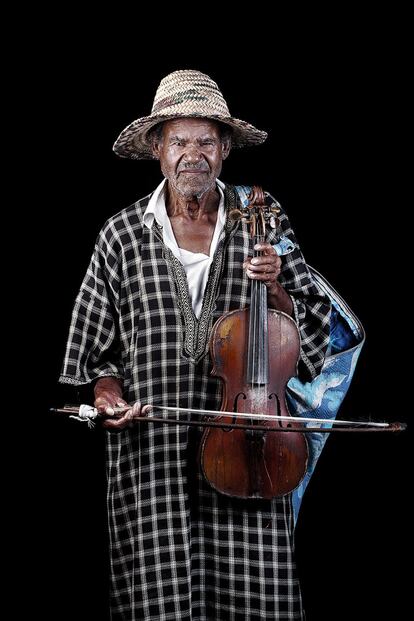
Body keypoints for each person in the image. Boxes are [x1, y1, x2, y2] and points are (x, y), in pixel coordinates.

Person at [60, 69, 333, 620]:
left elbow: (316, 336)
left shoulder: (263, 221)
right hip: (153, 457)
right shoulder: (121, 234)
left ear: (225, 148)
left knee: (259, 601)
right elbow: (97, 356)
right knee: (158, 603)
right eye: (179, 141)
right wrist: (109, 398)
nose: (193, 155)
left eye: (206, 141)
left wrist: (276, 282)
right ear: (157, 149)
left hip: (251, 448)